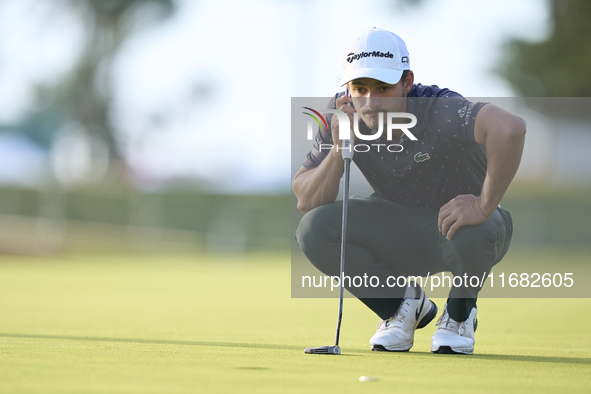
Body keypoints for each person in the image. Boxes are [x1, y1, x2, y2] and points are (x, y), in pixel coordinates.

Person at [293, 27, 525, 354]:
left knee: (475, 230)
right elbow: (306, 199)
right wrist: (338, 150)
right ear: (347, 89)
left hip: (462, 230)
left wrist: (484, 205)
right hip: (397, 229)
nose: (369, 102)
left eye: (383, 89)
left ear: (407, 82)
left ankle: (459, 316)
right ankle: (401, 306)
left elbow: (510, 128)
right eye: (359, 88)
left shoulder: (438, 109)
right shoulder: (341, 114)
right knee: (314, 229)